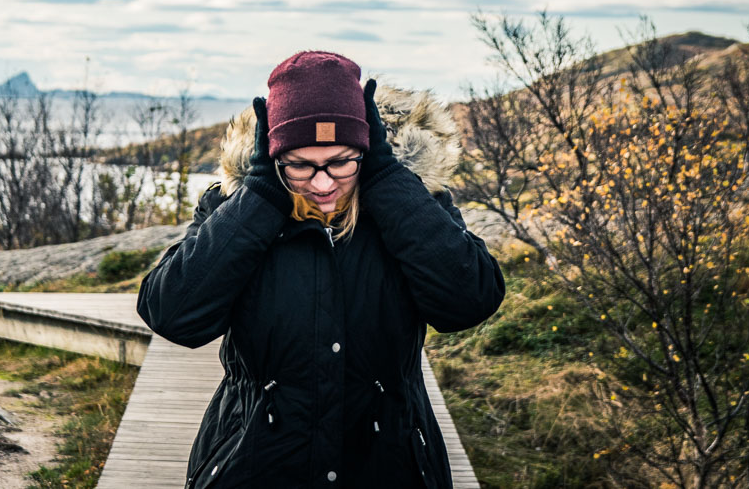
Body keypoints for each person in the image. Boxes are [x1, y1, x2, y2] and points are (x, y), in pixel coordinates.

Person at [136, 50, 505, 488]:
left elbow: (470, 301)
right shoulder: (237, 208)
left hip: (390, 468)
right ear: (272, 157)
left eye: (340, 162)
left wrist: (388, 181)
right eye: (301, 165)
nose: (323, 183)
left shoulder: (411, 205)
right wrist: (259, 198)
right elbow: (173, 315)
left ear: (367, 152)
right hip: (253, 466)